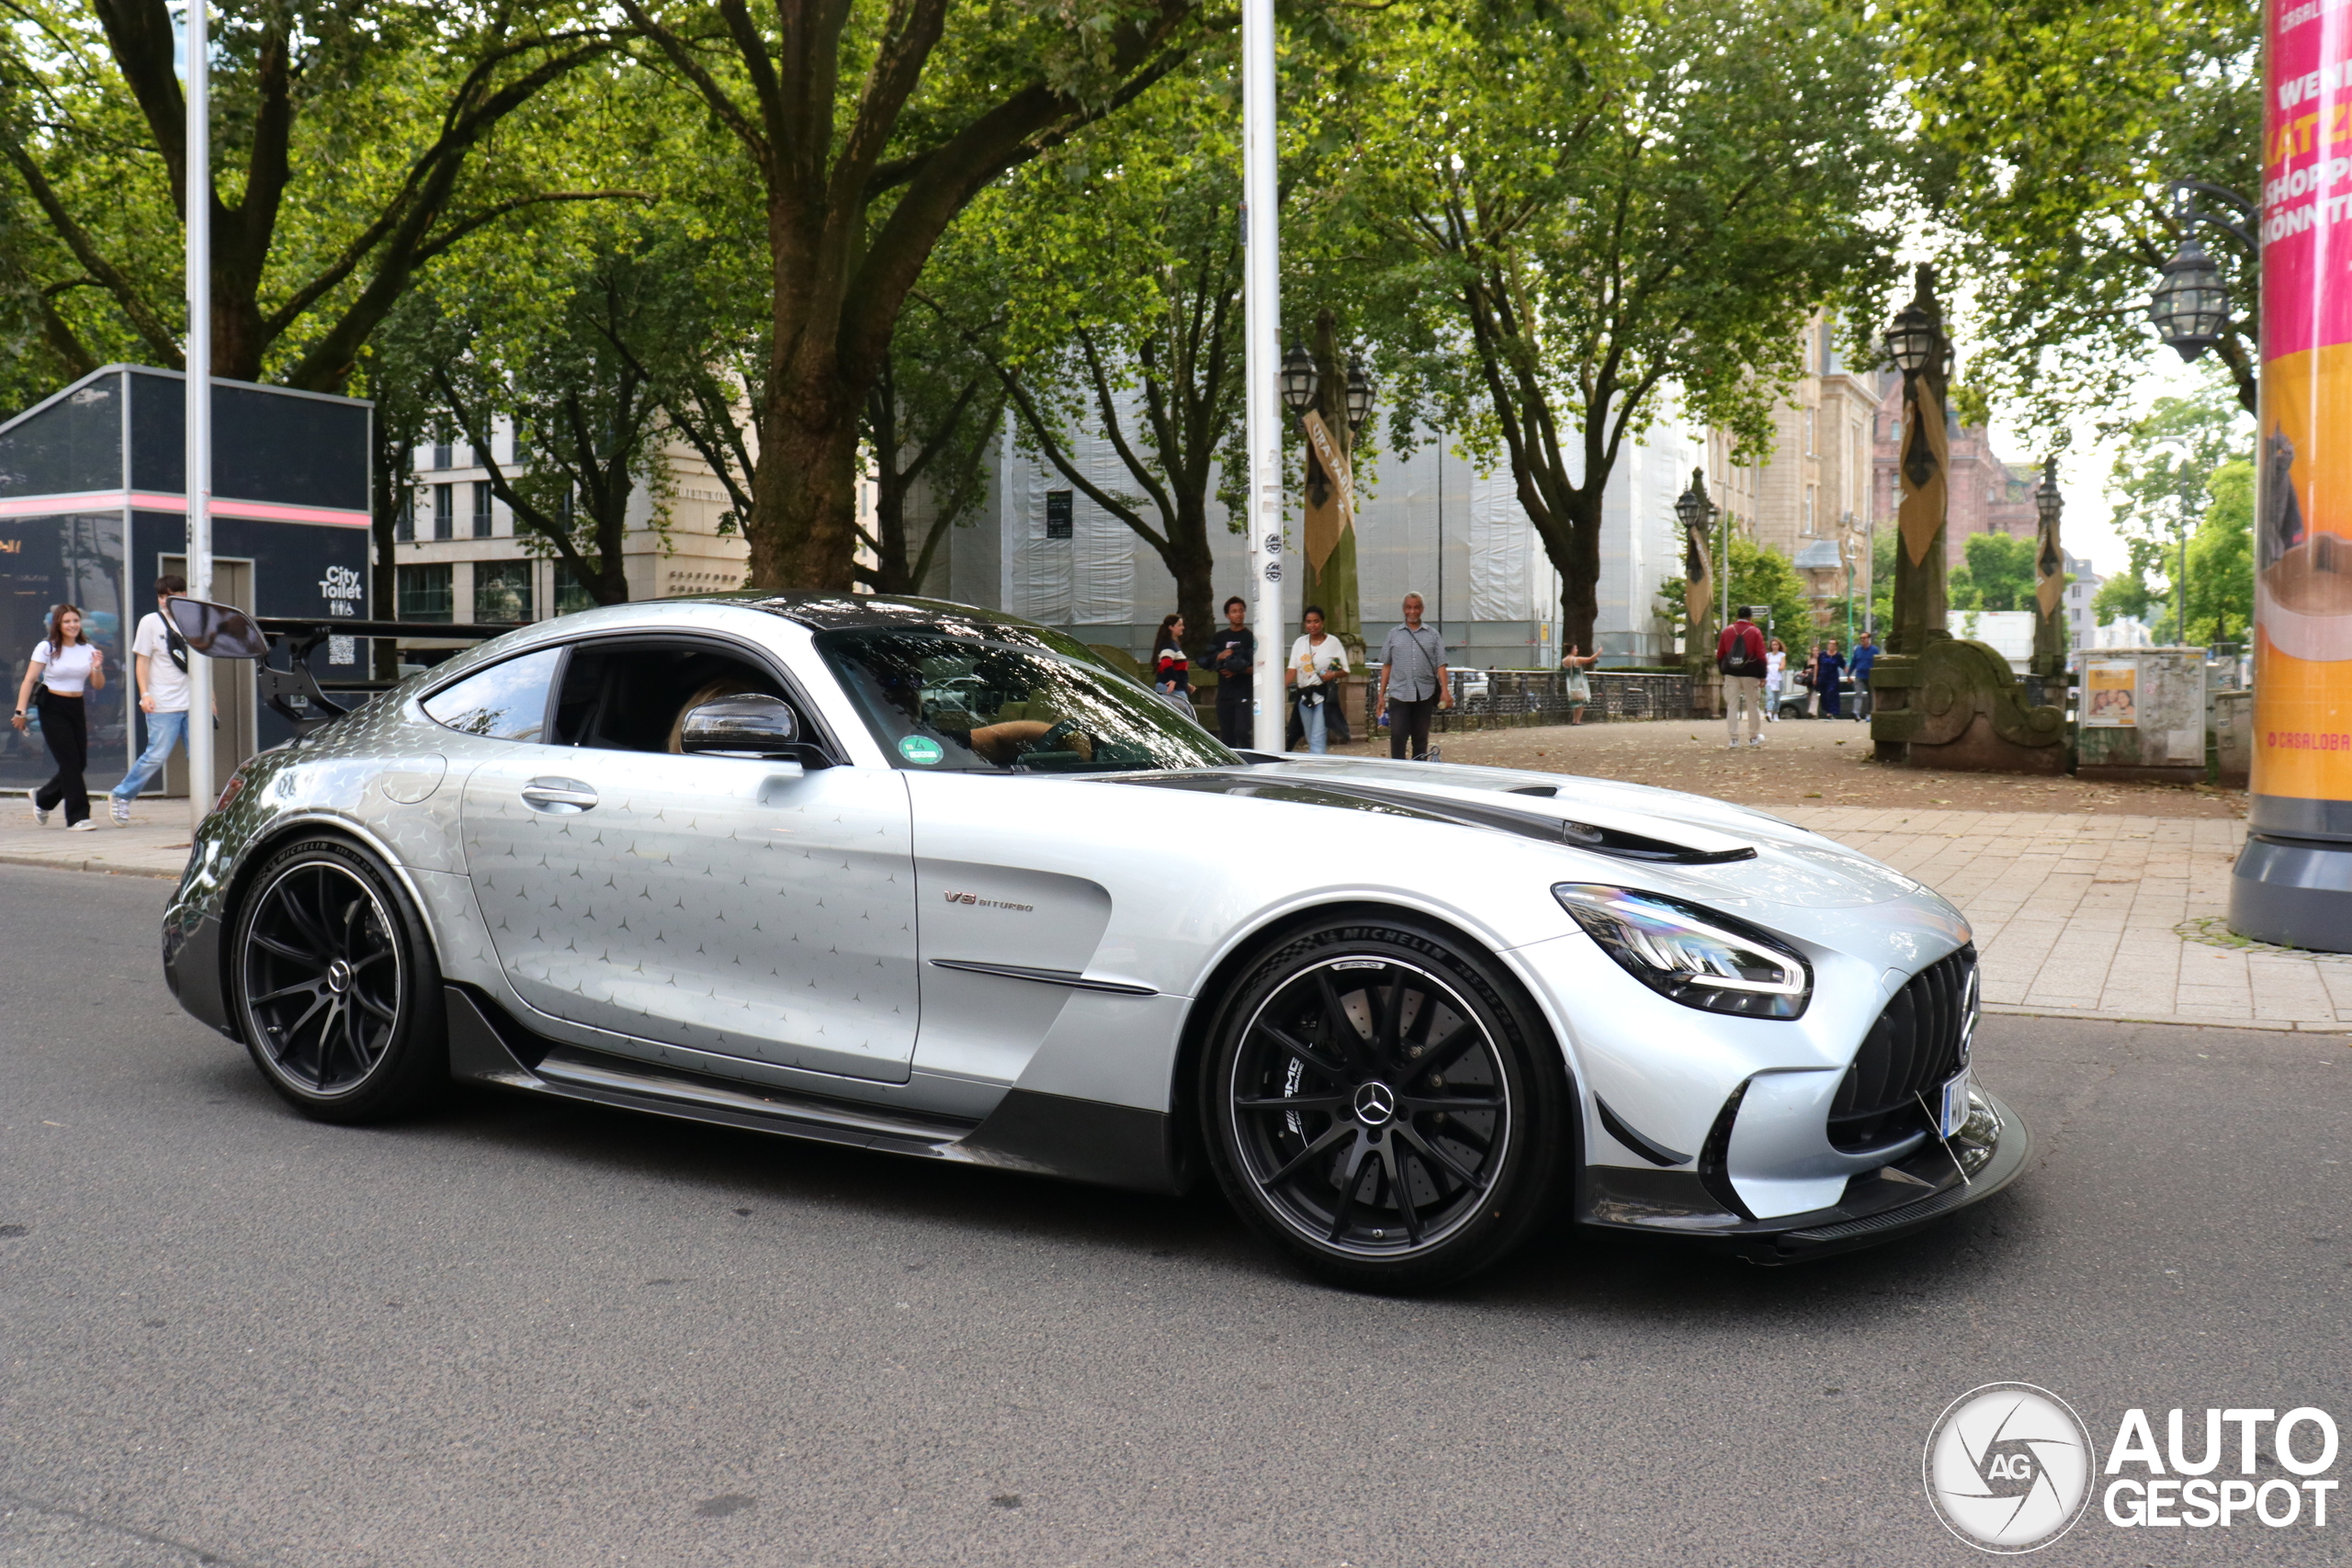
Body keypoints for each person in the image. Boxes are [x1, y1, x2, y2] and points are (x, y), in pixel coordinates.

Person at [107, 575, 195, 823]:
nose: (166, 601)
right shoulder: (150, 622)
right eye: (162, 596)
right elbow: (142, 662)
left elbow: (201, 666)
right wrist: (144, 694)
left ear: (185, 594)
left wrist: (209, 698)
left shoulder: (193, 621)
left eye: (172, 595)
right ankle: (122, 795)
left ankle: (207, 810)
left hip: (193, 703)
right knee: (156, 754)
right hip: (163, 702)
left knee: (199, 757)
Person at [13, 603, 107, 830]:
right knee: (70, 761)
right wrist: (20, 711)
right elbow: (29, 680)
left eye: (75, 621)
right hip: (52, 705)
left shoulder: (86, 649)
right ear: (58, 624)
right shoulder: (47, 647)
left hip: (76, 705)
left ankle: (44, 798)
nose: (72, 625)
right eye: (67, 621)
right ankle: (78, 817)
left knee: (79, 762)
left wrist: (96, 667)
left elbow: (98, 684)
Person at [1375, 592, 1451, 761]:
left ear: (1422, 609)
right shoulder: (1393, 634)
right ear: (1404, 610)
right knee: (1398, 735)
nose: (1412, 611)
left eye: (1416, 607)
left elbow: (1441, 664)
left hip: (1424, 692)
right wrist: (1381, 695)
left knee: (1420, 738)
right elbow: (1386, 666)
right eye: (1409, 607)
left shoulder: (1433, 635)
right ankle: (1398, 771)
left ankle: (1418, 771)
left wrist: (1445, 690)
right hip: (1399, 692)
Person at [1287, 605, 1351, 754]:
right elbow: (1292, 670)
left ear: (1322, 622)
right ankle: (1316, 765)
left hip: (1323, 696)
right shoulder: (1299, 643)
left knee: (1317, 737)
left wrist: (1332, 675)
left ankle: (1317, 771)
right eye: (1309, 622)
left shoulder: (1333, 643)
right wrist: (1280, 688)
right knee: (1310, 737)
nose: (1312, 625)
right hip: (1304, 695)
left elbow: (1345, 670)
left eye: (1316, 621)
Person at [1205, 595, 1256, 746]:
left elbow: (1259, 668)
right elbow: (1207, 662)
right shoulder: (1219, 637)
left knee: (1243, 731)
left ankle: (1249, 762)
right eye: (1234, 611)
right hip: (1224, 694)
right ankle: (1230, 766)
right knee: (1227, 735)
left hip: (1244, 693)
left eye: (1241, 611)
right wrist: (1219, 659)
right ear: (1227, 615)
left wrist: (1238, 670)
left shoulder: (1251, 637)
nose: (1238, 614)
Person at [1716, 604, 1768, 749]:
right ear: (1750, 617)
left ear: (1737, 616)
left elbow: (1720, 653)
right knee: (1752, 704)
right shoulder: (1755, 632)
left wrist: (1723, 670)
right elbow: (1761, 655)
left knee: (1732, 705)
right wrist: (1763, 675)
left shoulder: (1727, 631)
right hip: (1750, 672)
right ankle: (1753, 737)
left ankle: (1733, 739)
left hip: (1731, 672)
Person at [1151, 614, 1194, 717]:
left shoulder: (1172, 645)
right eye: (1179, 625)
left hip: (1176, 687)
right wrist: (1174, 680)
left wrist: (1186, 684)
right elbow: (1166, 663)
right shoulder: (1168, 645)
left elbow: (1176, 667)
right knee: (1185, 720)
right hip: (1172, 690)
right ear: (1171, 627)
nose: (1182, 627)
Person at [1559, 644, 1599, 725]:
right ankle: (1577, 720)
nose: (1577, 650)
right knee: (1581, 699)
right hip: (1579, 680)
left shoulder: (1564, 660)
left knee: (1574, 699)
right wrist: (1598, 652)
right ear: (1572, 650)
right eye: (1576, 649)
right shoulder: (1577, 660)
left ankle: (1574, 720)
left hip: (1570, 681)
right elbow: (1590, 659)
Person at [1814, 637, 1848, 720]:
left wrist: (1848, 676)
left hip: (1833, 678)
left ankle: (1831, 713)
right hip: (1823, 677)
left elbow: (1844, 666)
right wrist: (1815, 677)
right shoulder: (1822, 654)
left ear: (1836, 646)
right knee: (1824, 695)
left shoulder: (1838, 656)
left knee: (1831, 694)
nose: (1831, 646)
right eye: (1830, 644)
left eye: (1833, 644)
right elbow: (1817, 665)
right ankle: (1826, 711)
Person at [1849, 631, 1877, 721]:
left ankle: (1869, 714)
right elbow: (1853, 663)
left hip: (1871, 675)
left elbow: (1878, 662)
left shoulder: (1874, 650)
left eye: (1864, 638)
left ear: (1869, 639)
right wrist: (1849, 674)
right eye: (1861, 638)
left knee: (1871, 696)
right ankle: (1856, 712)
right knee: (1858, 694)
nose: (1862, 640)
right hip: (1859, 675)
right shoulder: (1858, 650)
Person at [1763, 637, 1788, 723]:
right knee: (1770, 697)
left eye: (1776, 644)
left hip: (1778, 678)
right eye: (1773, 644)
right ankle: (1769, 713)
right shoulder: (1768, 655)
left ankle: (1776, 713)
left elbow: (1782, 666)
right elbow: (1765, 666)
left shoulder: (1782, 655)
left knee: (1777, 698)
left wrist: (1775, 667)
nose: (1775, 646)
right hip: (1769, 678)